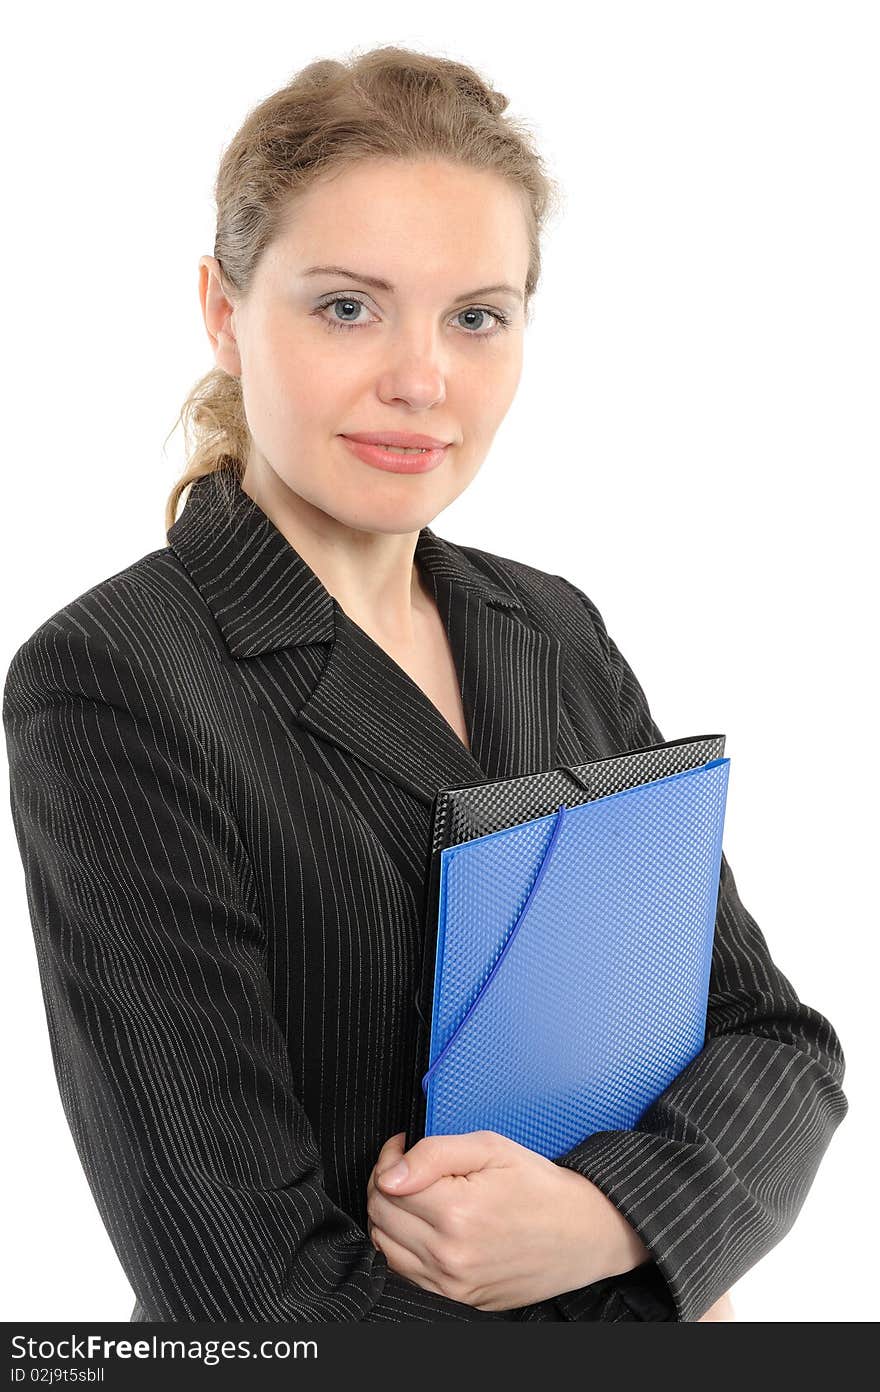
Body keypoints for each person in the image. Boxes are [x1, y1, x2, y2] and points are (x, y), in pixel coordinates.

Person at [3, 45, 846, 1325]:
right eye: (348, 306)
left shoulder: (550, 627)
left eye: (476, 316)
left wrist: (611, 1217)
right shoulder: (114, 681)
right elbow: (244, 1292)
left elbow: (776, 1047)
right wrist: (661, 1295)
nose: (421, 378)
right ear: (224, 313)